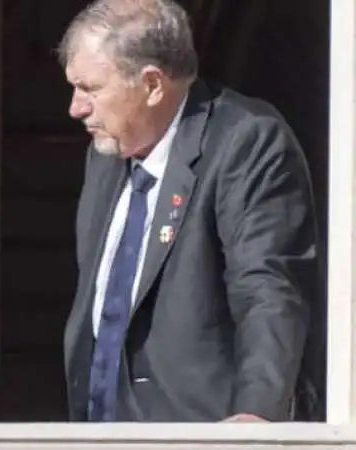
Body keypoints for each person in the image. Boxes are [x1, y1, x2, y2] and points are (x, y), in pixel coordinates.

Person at [59, 0, 322, 422]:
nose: (76, 108)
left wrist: (257, 415)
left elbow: (269, 290)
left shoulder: (245, 141)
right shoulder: (106, 151)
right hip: (99, 428)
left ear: (152, 85)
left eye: (90, 88)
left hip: (201, 430)